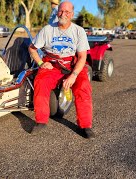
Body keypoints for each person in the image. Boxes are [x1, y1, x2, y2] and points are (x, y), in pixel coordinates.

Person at [28, 1, 95, 138]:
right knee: (40, 82)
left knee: (83, 86)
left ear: (72, 14)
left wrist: (74, 75)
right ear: (57, 12)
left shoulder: (78, 31)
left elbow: (82, 56)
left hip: (72, 65)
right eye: (61, 11)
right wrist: (41, 63)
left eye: (67, 12)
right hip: (52, 65)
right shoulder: (47, 30)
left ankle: (85, 126)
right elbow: (32, 48)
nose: (63, 14)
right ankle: (41, 121)